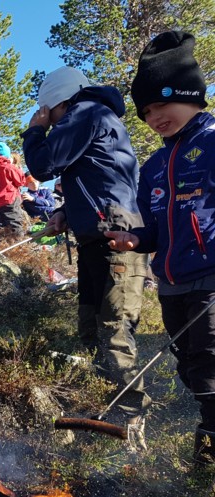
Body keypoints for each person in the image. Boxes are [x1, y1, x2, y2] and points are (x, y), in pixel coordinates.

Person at [22, 66, 151, 448]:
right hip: (100, 237)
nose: (50, 120)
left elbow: (43, 165)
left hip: (114, 240)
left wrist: (35, 129)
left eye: (50, 112)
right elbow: (96, 178)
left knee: (113, 331)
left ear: (59, 102)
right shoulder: (95, 117)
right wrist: (66, 213)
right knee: (91, 327)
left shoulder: (87, 112)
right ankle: (101, 418)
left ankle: (130, 428)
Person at [105, 31, 214, 464]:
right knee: (189, 365)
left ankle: (208, 446)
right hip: (170, 282)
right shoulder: (154, 165)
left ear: (190, 94)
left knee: (210, 363)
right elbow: (152, 227)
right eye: (146, 111)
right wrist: (136, 239)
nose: (154, 116)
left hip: (210, 277)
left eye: (161, 103)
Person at [0, 141, 29, 233]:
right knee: (14, 223)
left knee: (1, 226)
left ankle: (3, 243)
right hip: (10, 200)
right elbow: (20, 181)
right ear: (7, 155)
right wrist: (19, 170)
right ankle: (18, 243)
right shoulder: (9, 167)